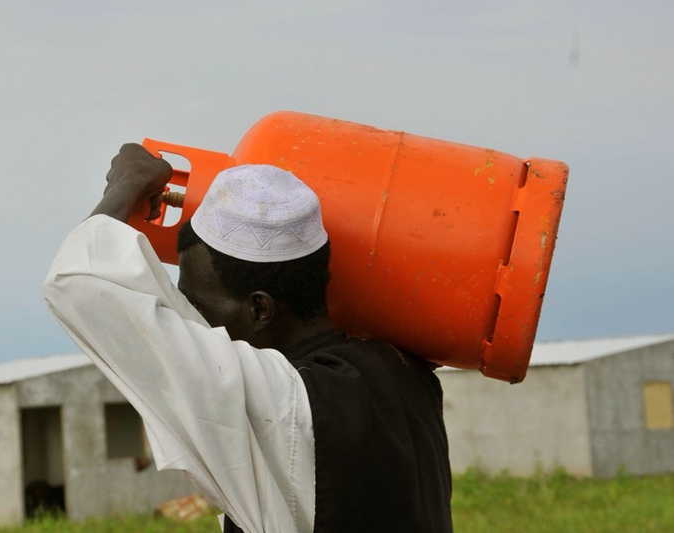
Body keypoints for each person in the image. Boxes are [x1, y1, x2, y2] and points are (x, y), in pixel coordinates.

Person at [43, 144, 453, 532]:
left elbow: (79, 283)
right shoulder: (405, 373)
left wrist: (127, 184)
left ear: (260, 310)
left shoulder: (277, 401)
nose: (191, 321)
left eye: (195, 303)